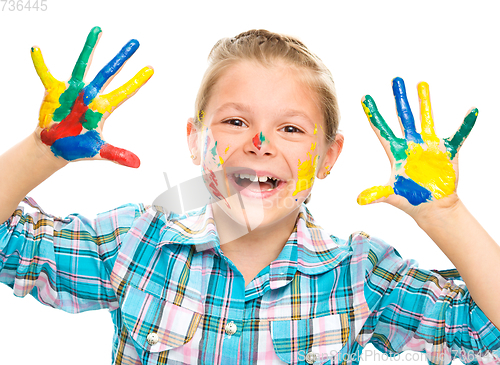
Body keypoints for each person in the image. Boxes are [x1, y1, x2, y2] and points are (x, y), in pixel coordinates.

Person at [0, 26, 499, 365]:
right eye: (236, 121)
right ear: (195, 140)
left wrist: (445, 215)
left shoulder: (361, 276)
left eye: (289, 128)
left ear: (329, 156)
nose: (259, 145)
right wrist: (42, 152)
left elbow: (484, 332)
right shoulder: (136, 244)